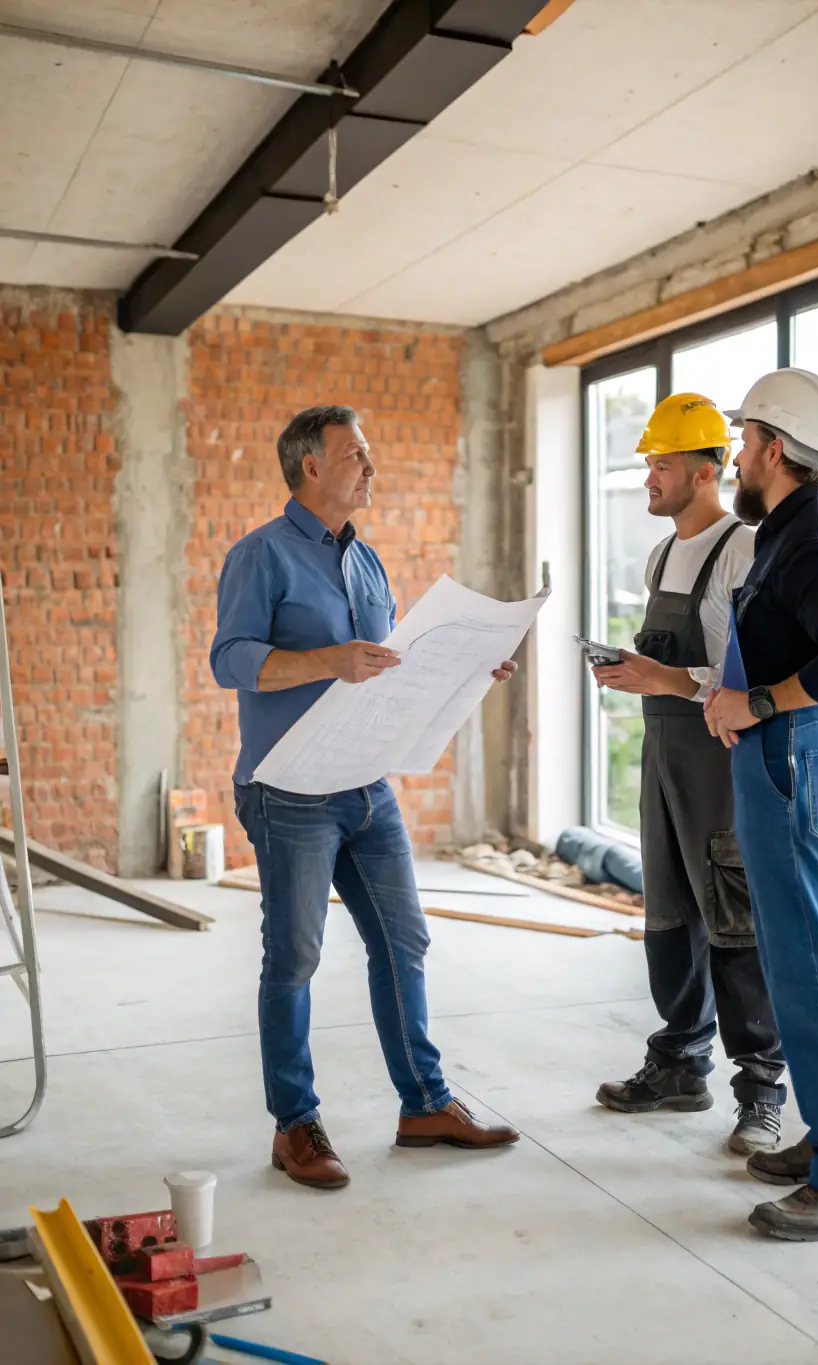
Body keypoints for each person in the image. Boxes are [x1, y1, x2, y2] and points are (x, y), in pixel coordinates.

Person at [210, 405, 520, 1190]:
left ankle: (424, 1103)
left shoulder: (369, 562)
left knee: (404, 941)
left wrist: (468, 669)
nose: (371, 466)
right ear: (311, 465)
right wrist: (327, 660)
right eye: (357, 453)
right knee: (296, 958)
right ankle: (295, 1126)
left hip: (367, 786)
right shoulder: (261, 556)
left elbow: (390, 664)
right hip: (291, 793)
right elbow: (233, 660)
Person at [704, 368, 818, 1242]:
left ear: (773, 449)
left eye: (742, 441)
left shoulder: (808, 536)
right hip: (783, 770)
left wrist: (759, 703)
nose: (736, 457)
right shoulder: (789, 529)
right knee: (796, 970)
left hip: (791, 769)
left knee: (814, 973)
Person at [592, 393, 786, 1155]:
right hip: (664, 758)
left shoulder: (743, 548)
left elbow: (753, 680)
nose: (649, 476)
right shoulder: (661, 555)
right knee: (669, 912)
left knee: (733, 920)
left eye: (661, 464)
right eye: (648, 463)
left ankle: (762, 1088)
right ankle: (680, 1060)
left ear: (707, 472)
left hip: (721, 760)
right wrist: (632, 673)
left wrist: (662, 678)